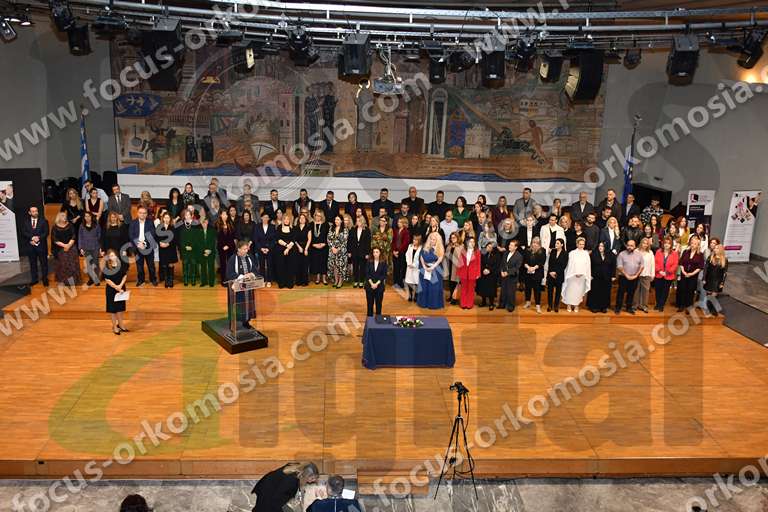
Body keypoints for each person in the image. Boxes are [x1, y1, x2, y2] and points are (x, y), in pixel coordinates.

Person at [251, 462, 319, 512]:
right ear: (305, 475)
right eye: (312, 478)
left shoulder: (296, 468)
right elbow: (276, 503)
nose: (314, 480)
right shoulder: (292, 483)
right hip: (268, 494)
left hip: (266, 486)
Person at [227, 241, 258, 331]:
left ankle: (246, 321)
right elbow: (229, 273)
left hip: (248, 286)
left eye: (247, 249)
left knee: (248, 304)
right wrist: (242, 277)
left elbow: (255, 269)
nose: (246, 251)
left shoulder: (250, 257)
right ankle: (233, 323)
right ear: (238, 249)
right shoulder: (233, 259)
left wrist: (251, 274)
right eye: (244, 249)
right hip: (237, 287)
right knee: (237, 305)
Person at [129, 206, 158, 287]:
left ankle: (153, 279)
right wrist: (138, 244)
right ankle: (141, 280)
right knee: (139, 266)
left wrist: (144, 243)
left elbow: (152, 234)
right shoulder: (133, 223)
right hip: (137, 248)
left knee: (151, 266)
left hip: (148, 247)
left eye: (144, 213)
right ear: (137, 213)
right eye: (140, 213)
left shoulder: (150, 222)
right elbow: (131, 235)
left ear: (146, 214)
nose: (142, 214)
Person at [561, 237, 591, 313]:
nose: (581, 246)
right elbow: (570, 265)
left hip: (582, 276)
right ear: (577, 244)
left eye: (583, 244)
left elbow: (587, 265)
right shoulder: (572, 253)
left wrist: (582, 273)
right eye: (580, 244)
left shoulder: (586, 254)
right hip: (572, 276)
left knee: (578, 292)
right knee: (570, 291)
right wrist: (574, 273)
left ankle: (576, 305)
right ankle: (569, 305)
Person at [21, 206, 49, 287]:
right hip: (30, 246)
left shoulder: (44, 221)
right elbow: (23, 232)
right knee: (33, 263)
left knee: (44, 263)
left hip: (41, 246)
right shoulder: (25, 222)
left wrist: (38, 238)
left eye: (36, 211)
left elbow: (46, 232)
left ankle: (45, 279)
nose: (35, 213)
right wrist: (32, 238)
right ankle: (34, 279)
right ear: (29, 213)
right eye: (33, 211)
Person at [102, 248, 128, 335]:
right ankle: (115, 327)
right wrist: (117, 287)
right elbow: (107, 280)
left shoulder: (121, 265)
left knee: (120, 309)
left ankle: (121, 325)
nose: (112, 257)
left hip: (121, 289)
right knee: (113, 310)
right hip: (111, 290)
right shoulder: (106, 267)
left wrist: (120, 286)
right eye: (110, 256)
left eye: (113, 255)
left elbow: (125, 276)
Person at [614, 239, 644, 315]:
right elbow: (619, 266)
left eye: (631, 246)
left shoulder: (639, 255)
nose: (629, 247)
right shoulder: (621, 254)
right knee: (621, 293)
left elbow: (642, 266)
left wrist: (636, 275)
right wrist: (626, 275)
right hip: (623, 277)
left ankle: (629, 308)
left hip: (635, 277)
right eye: (628, 245)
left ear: (635, 246)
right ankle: (618, 307)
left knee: (631, 293)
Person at [676, 235, 704, 313]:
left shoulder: (700, 254)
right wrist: (684, 272)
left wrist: (691, 274)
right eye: (692, 243)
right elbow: (681, 263)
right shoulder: (685, 252)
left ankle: (689, 307)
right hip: (684, 274)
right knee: (682, 290)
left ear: (698, 245)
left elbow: (700, 267)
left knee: (690, 291)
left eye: (695, 244)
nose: (693, 245)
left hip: (693, 276)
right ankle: (681, 305)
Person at [51, 212, 81, 285]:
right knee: (63, 265)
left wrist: (69, 245)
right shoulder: (54, 227)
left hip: (71, 246)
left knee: (72, 264)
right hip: (60, 248)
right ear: (59, 218)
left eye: (65, 216)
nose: (65, 217)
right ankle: (65, 281)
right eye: (63, 216)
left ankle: (73, 281)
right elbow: (54, 239)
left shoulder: (70, 225)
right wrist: (64, 245)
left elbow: (73, 236)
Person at [418, 232, 445, 309]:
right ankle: (424, 303)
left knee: (434, 287)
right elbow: (421, 257)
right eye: (431, 239)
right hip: (425, 269)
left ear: (437, 240)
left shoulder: (440, 248)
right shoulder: (425, 246)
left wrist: (432, 267)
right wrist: (424, 266)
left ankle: (433, 304)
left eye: (434, 239)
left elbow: (440, 259)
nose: (432, 241)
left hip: (436, 270)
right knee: (424, 286)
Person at [587, 241, 615, 313]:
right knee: (595, 291)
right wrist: (590, 274)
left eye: (602, 246)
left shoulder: (611, 254)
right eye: (599, 246)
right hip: (595, 276)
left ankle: (604, 307)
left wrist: (613, 275)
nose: (600, 247)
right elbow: (589, 265)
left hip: (607, 277)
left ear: (606, 247)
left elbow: (613, 265)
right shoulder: (593, 254)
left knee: (605, 292)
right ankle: (594, 306)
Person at [653, 237, 678, 312]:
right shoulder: (658, 252)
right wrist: (659, 271)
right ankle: (657, 304)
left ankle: (661, 305)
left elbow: (675, 265)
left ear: (671, 245)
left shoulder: (674, 253)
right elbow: (655, 262)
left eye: (668, 243)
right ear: (663, 244)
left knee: (665, 291)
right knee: (658, 290)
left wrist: (667, 272)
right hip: (658, 274)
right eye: (665, 243)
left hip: (669, 275)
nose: (667, 245)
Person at [703, 242, 728, 316]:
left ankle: (712, 309)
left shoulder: (724, 260)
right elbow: (705, 269)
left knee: (714, 295)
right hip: (709, 279)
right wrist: (704, 278)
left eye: (717, 248)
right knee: (708, 295)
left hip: (717, 280)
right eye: (715, 248)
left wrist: (722, 283)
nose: (715, 249)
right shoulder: (710, 257)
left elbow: (725, 273)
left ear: (721, 250)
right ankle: (708, 308)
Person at [457, 236, 481, 309]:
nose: (472, 243)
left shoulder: (477, 252)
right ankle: (463, 304)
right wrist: (459, 272)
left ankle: (469, 304)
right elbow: (460, 262)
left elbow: (478, 263)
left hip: (473, 272)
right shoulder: (463, 251)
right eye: (470, 241)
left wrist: (478, 273)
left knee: (471, 289)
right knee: (463, 288)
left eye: (473, 242)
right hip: (463, 272)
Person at [523, 236, 546, 313]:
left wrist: (533, 268)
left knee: (537, 290)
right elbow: (524, 261)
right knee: (527, 288)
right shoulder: (527, 250)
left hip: (537, 273)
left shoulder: (542, 250)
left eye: (537, 243)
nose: (535, 244)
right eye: (533, 242)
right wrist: (528, 267)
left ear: (539, 244)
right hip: (528, 272)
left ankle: (537, 305)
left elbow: (542, 262)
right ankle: (528, 302)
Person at [499, 239, 523, 312]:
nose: (509, 246)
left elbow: (516, 268)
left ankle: (510, 306)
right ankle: (502, 304)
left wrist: (507, 272)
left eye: (511, 245)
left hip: (512, 276)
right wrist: (502, 271)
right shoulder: (506, 253)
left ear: (515, 247)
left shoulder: (519, 256)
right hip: (504, 275)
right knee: (503, 290)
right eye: (509, 244)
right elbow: (502, 263)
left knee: (511, 292)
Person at [633, 237, 656, 313]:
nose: (645, 245)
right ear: (641, 243)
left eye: (647, 243)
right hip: (636, 274)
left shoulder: (650, 253)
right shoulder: (636, 251)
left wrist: (652, 274)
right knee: (636, 291)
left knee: (645, 291)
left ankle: (644, 306)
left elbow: (652, 264)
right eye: (644, 243)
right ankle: (634, 305)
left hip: (646, 274)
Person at [78, 211, 101, 286]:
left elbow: (99, 235)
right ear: (84, 217)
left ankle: (96, 279)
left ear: (91, 217)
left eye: (89, 216)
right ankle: (91, 279)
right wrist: (80, 248)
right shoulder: (82, 226)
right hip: (86, 248)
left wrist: (99, 246)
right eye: (86, 216)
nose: (87, 218)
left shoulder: (96, 225)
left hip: (95, 247)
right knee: (89, 264)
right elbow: (80, 237)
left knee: (95, 263)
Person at [546, 238, 569, 312]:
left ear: (562, 244)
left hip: (559, 275)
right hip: (550, 274)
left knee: (558, 292)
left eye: (558, 243)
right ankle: (550, 305)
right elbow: (550, 263)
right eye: (556, 243)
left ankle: (556, 306)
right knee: (550, 291)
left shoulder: (565, 253)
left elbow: (564, 265)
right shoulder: (553, 251)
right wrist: (550, 272)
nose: (556, 244)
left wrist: (556, 272)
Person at [254, 212, 277, 287]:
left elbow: (274, 239)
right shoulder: (257, 226)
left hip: (269, 249)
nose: (265, 219)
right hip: (260, 249)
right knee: (261, 265)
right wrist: (261, 248)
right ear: (261, 218)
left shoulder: (272, 227)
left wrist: (268, 248)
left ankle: (269, 280)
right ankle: (263, 280)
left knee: (270, 265)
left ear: (269, 218)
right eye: (264, 217)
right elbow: (256, 239)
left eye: (267, 217)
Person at [156, 211, 178, 288]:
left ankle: (171, 280)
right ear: (163, 218)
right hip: (162, 249)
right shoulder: (159, 227)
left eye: (168, 218)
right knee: (164, 264)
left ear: (170, 219)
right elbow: (156, 237)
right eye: (165, 217)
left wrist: (168, 243)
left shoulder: (173, 227)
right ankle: (166, 280)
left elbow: (175, 238)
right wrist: (160, 243)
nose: (166, 219)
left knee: (170, 264)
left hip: (171, 248)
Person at [348, 215, 370, 288]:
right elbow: (349, 241)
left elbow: (368, 242)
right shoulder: (353, 229)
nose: (358, 222)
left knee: (362, 267)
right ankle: (356, 280)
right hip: (354, 251)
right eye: (357, 221)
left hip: (363, 252)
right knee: (355, 267)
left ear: (363, 221)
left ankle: (361, 281)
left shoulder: (367, 230)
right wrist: (349, 251)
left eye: (359, 221)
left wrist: (367, 253)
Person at [179, 210, 200, 286]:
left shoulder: (196, 225)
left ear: (191, 215)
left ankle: (193, 279)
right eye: (186, 215)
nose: (187, 216)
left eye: (189, 215)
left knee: (193, 264)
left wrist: (192, 246)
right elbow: (179, 238)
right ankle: (186, 279)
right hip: (184, 249)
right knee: (185, 265)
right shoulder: (180, 225)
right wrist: (184, 246)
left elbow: (197, 238)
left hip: (193, 248)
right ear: (184, 216)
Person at [275, 215, 297, 289]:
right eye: (285, 219)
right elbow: (278, 239)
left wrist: (287, 248)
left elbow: (293, 240)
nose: (286, 220)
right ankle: (282, 283)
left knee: (290, 267)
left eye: (288, 219)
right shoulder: (279, 227)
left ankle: (289, 283)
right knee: (281, 266)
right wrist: (286, 245)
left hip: (291, 250)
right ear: (283, 220)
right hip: (280, 250)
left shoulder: (292, 228)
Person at [364, 246, 387, 317]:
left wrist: (376, 284)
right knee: (369, 304)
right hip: (369, 286)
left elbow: (384, 275)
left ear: (380, 253)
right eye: (374, 252)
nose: (375, 254)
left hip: (379, 286)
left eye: (377, 252)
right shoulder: (369, 261)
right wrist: (372, 284)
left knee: (379, 304)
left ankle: (378, 319)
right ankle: (369, 319)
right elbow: (367, 273)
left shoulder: (383, 262)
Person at [477, 240, 500, 310]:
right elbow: (480, 263)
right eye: (488, 246)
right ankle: (483, 302)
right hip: (483, 273)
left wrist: (489, 270)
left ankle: (491, 303)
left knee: (491, 290)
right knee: (483, 288)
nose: (489, 248)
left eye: (490, 247)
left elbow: (497, 265)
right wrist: (483, 269)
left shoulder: (497, 255)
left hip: (492, 275)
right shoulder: (483, 253)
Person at [327, 215, 348, 288]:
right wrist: (332, 248)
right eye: (335, 219)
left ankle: (340, 281)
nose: (336, 221)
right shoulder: (331, 228)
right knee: (335, 266)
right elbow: (328, 239)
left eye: (338, 219)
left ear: (341, 221)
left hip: (341, 251)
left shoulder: (345, 229)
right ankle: (336, 280)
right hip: (332, 250)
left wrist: (338, 249)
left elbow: (345, 241)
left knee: (341, 266)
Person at [309, 211, 329, 285]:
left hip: (324, 247)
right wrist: (313, 244)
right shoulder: (311, 224)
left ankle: (324, 278)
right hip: (314, 247)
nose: (318, 217)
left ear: (322, 216)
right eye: (317, 215)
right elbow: (309, 236)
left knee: (323, 262)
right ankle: (317, 278)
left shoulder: (326, 224)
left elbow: (328, 236)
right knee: (316, 262)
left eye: (320, 216)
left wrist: (324, 244)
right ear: (314, 216)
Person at [196, 215, 217, 287]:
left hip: (211, 251)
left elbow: (213, 241)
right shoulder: (198, 230)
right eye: (202, 222)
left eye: (205, 222)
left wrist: (209, 250)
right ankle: (204, 282)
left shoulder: (212, 230)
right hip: (202, 252)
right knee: (203, 267)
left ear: (207, 222)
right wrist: (204, 251)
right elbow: (198, 242)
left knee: (211, 267)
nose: (204, 224)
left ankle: (211, 282)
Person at [391, 216, 411, 289]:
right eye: (398, 222)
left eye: (399, 222)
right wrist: (393, 251)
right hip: (395, 252)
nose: (398, 223)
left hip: (402, 253)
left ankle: (400, 283)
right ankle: (395, 282)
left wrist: (398, 251)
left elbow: (405, 243)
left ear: (403, 223)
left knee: (401, 268)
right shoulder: (396, 230)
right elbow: (393, 241)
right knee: (396, 268)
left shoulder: (406, 232)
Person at [443, 232, 462, 305]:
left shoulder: (461, 246)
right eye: (451, 238)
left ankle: (455, 298)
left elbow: (461, 260)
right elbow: (446, 256)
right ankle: (451, 296)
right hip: (449, 266)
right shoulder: (449, 246)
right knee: (450, 283)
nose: (453, 239)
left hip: (457, 268)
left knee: (455, 283)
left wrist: (450, 256)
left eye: (454, 237)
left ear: (457, 238)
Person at [293, 212, 311, 287]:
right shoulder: (295, 228)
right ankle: (298, 281)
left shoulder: (308, 227)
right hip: (297, 248)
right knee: (297, 264)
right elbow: (294, 239)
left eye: (303, 218)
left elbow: (309, 239)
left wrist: (306, 249)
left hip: (306, 247)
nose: (302, 219)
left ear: (306, 219)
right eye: (300, 218)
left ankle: (304, 281)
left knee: (305, 265)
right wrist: (299, 247)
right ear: (298, 219)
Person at [404, 233, 422, 302]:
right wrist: (409, 263)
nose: (414, 241)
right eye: (414, 239)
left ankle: (416, 296)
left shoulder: (421, 248)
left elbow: (420, 258)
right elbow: (407, 255)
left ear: (419, 241)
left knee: (416, 282)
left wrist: (414, 265)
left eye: (416, 240)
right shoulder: (410, 246)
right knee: (409, 281)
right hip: (409, 266)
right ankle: (410, 295)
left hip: (416, 268)